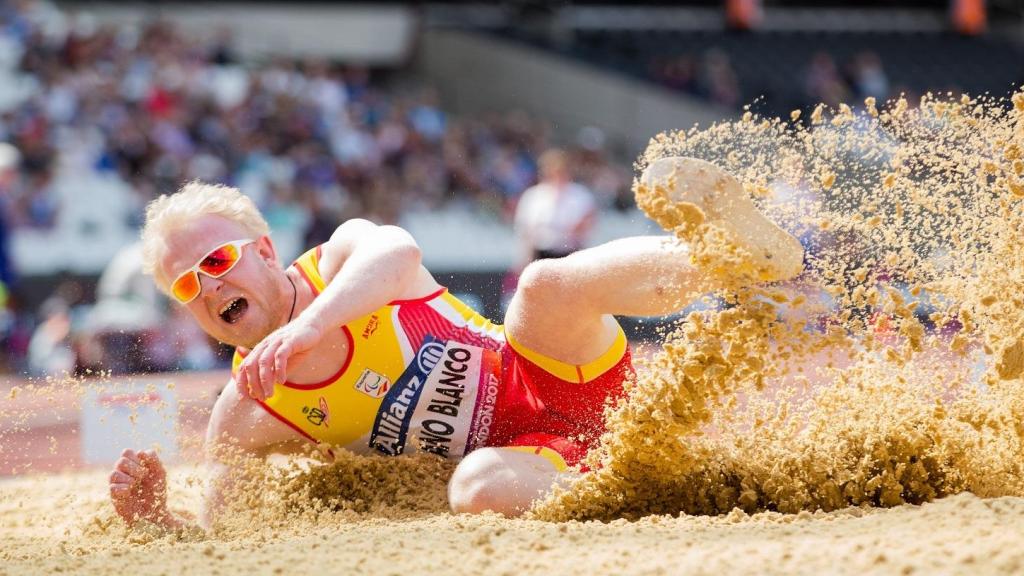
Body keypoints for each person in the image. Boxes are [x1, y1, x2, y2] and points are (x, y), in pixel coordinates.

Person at [108, 157, 805, 531]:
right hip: (529, 460)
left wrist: (310, 326)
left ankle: (732, 256)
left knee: (538, 287)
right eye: (184, 287)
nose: (205, 289)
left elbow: (399, 247)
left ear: (264, 249)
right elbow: (220, 533)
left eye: (218, 262)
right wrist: (153, 522)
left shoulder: (344, 255)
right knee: (471, 491)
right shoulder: (249, 411)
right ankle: (659, 482)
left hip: (548, 370)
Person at [513, 149, 596, 262]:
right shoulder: (533, 196)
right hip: (541, 254)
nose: (557, 177)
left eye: (561, 172)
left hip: (570, 253)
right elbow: (525, 230)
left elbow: (587, 224)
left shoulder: (580, 195)